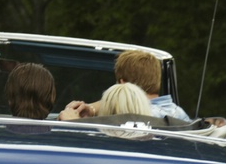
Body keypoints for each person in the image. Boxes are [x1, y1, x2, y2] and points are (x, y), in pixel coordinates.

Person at [58, 49, 191, 121]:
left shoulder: (130, 119)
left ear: (122, 84)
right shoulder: (179, 115)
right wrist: (92, 109)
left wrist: (73, 123)